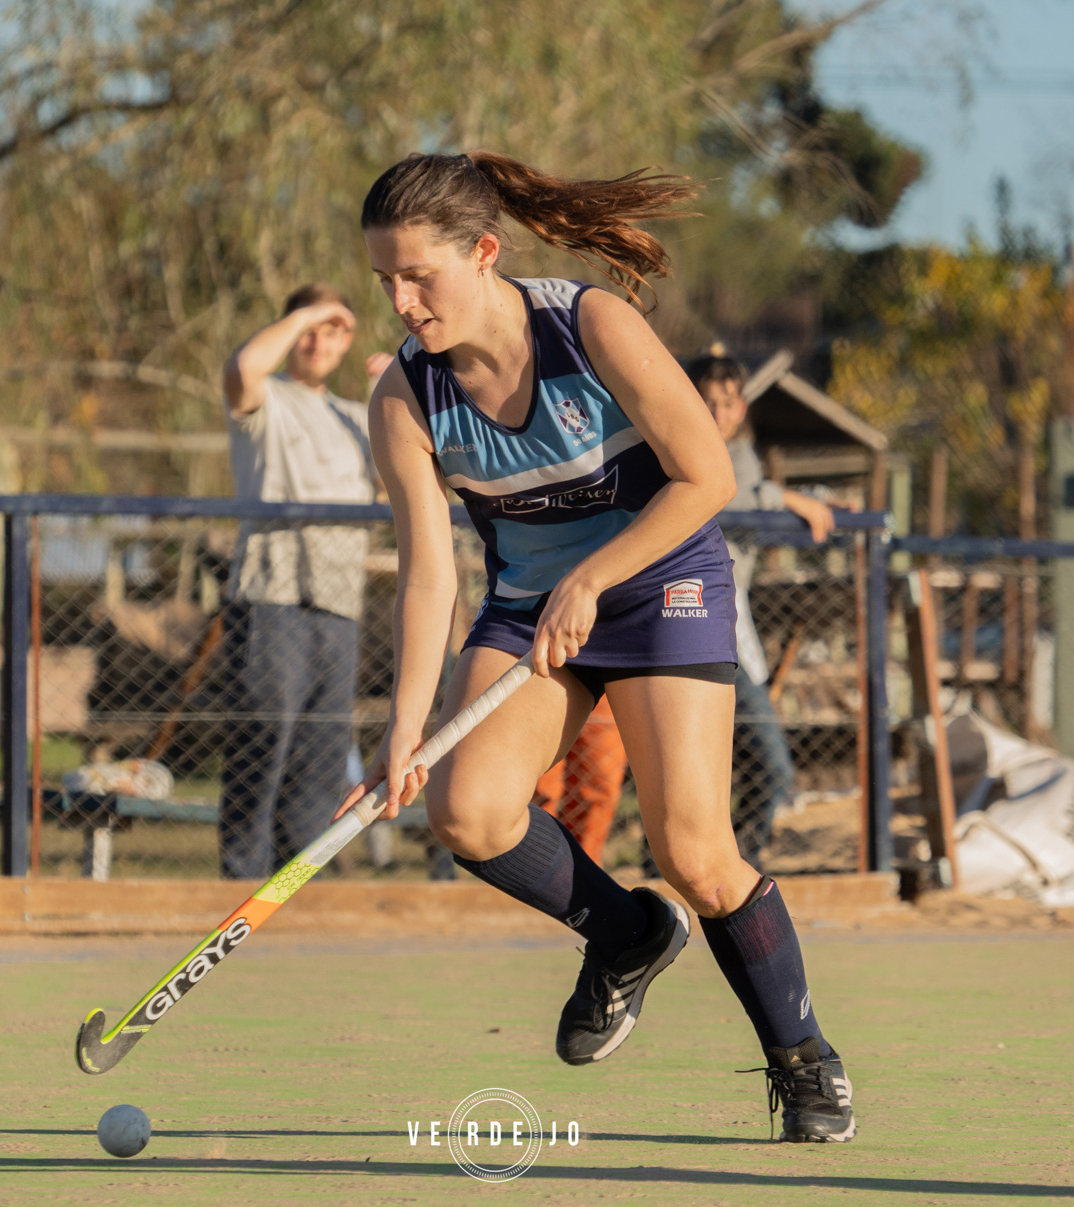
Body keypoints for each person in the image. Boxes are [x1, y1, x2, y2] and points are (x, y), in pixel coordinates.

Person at [337, 151, 856, 1143]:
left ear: (484, 252)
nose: (401, 302)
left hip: (662, 585)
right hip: (532, 608)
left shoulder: (590, 325)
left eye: (418, 276)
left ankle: (803, 1057)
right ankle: (627, 935)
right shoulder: (404, 396)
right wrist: (405, 727)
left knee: (695, 852)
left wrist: (594, 576)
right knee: (466, 810)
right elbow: (430, 574)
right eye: (385, 280)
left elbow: (707, 478)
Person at [219, 284, 381, 880]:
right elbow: (243, 368)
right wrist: (309, 314)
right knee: (263, 746)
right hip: (273, 596)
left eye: (334, 330)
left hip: (339, 605)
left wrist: (394, 390)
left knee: (321, 762)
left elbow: (413, 474)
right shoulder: (268, 397)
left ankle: (296, 891)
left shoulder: (357, 417)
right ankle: (241, 887)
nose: (319, 341)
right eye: (308, 328)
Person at [685, 346, 837, 869]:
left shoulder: (742, 455)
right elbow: (724, 497)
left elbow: (747, 491)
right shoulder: (672, 445)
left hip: (731, 632)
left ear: (741, 408)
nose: (717, 413)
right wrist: (788, 499)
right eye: (707, 401)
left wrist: (814, 498)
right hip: (686, 624)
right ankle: (703, 868)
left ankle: (733, 866)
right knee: (716, 770)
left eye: (727, 403)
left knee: (762, 768)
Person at [531, 696, 626, 864]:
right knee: (539, 790)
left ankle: (583, 867)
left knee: (598, 789)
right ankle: (537, 862)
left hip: (607, 692)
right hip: (545, 688)